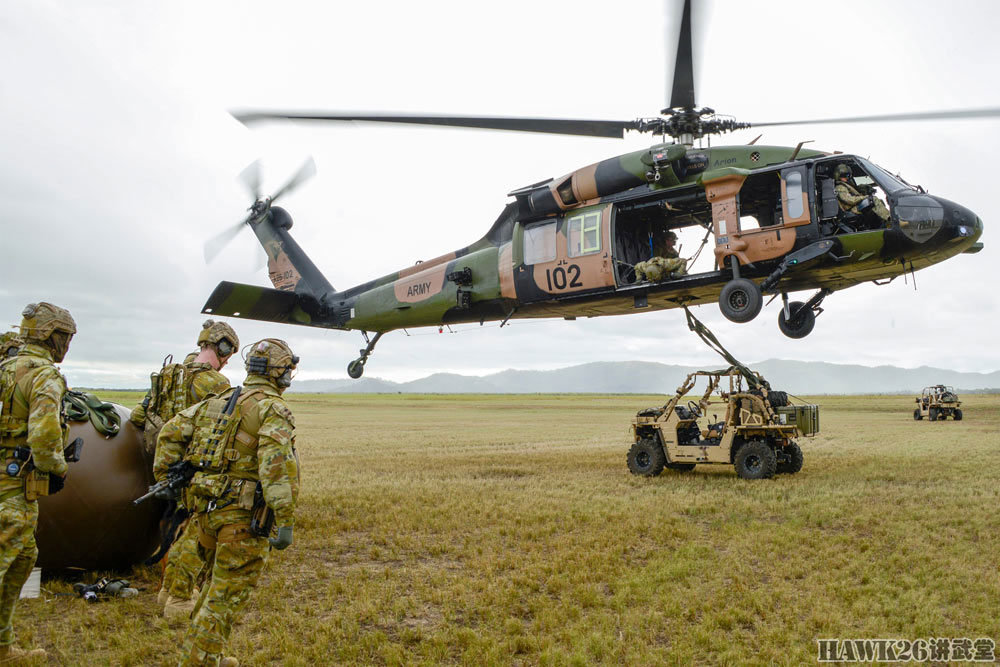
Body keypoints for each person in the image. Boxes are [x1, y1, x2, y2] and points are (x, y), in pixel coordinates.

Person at [155, 338, 300, 667]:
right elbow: (276, 467)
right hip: (243, 520)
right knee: (224, 599)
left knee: (211, 593)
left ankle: (209, 655)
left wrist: (172, 483)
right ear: (281, 373)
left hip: (208, 514)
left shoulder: (218, 400)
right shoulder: (272, 408)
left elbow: (170, 433)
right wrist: (285, 520)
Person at [131, 320, 239, 620]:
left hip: (159, 460)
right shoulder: (215, 384)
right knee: (194, 529)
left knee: (171, 523)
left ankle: (167, 588)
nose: (228, 360)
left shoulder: (169, 374)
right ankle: (181, 593)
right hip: (189, 465)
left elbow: (141, 413)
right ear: (224, 348)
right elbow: (219, 426)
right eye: (229, 353)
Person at [0, 302, 76, 661]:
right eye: (65, 337)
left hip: (11, 486)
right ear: (52, 337)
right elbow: (44, 440)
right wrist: (57, 469)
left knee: (23, 557)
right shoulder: (44, 375)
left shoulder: (5, 367)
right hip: (12, 490)